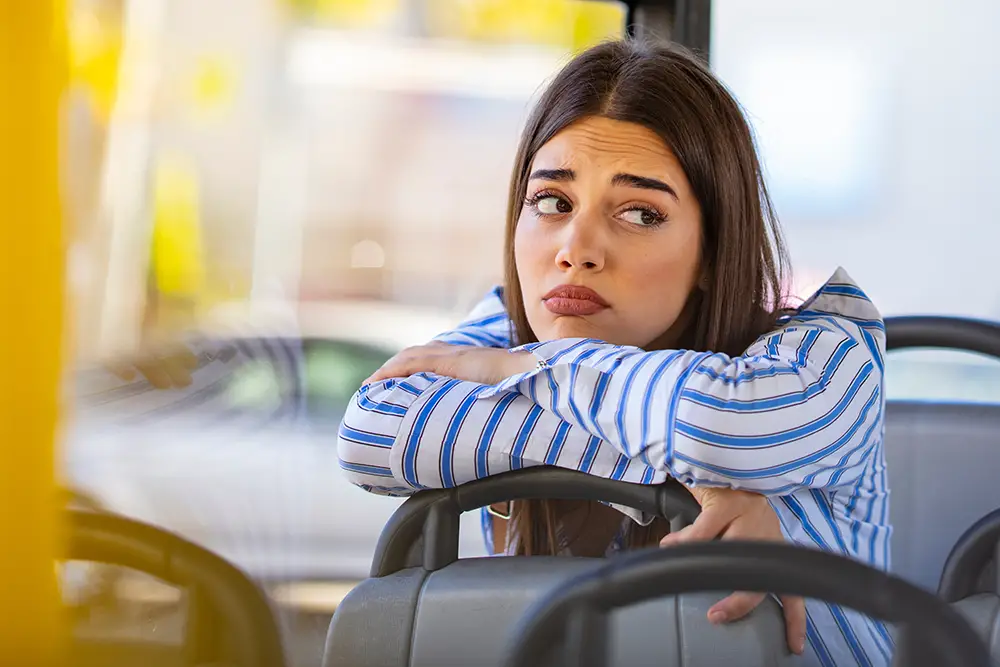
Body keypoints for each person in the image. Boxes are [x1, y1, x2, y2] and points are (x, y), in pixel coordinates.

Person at [337, 37, 890, 667]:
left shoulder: (831, 351)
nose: (577, 248)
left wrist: (525, 371)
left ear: (713, 248)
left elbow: (721, 423)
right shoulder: (507, 324)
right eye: (552, 202)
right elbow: (371, 430)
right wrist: (665, 474)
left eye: (639, 213)